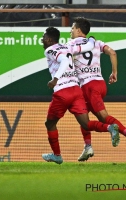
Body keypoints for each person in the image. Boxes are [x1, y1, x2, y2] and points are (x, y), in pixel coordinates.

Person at [41, 26, 120, 164]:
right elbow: (88, 47)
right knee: (86, 124)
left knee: (50, 124)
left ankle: (57, 155)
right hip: (76, 90)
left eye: (43, 38)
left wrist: (55, 79)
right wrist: (91, 40)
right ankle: (109, 127)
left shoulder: (50, 50)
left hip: (62, 91)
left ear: (48, 39)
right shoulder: (67, 48)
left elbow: (64, 61)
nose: (42, 40)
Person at [68, 17, 126, 162]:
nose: (71, 31)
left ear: (79, 30)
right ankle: (88, 147)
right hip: (100, 84)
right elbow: (113, 53)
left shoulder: (71, 45)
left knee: (104, 118)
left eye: (73, 28)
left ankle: (118, 131)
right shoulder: (96, 43)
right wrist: (114, 73)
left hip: (89, 86)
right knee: (83, 116)